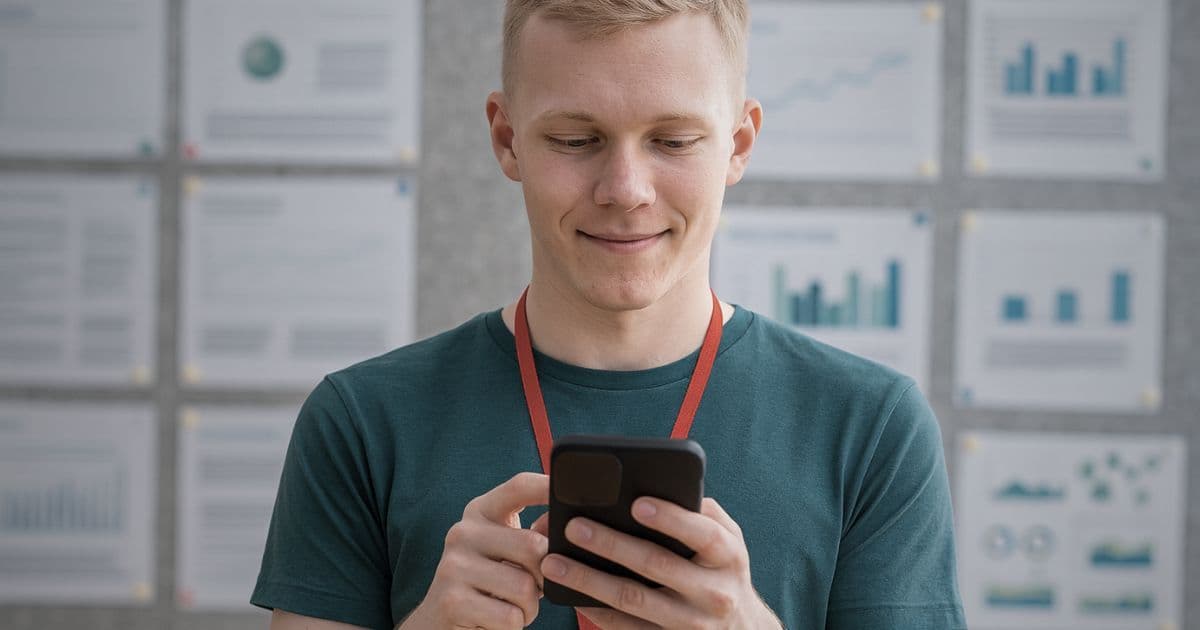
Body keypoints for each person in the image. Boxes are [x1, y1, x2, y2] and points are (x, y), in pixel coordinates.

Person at [252, 1, 967, 628]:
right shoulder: (362, 420)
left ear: (738, 145)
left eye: (674, 141)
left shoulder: (871, 427)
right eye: (575, 140)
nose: (625, 189)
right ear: (507, 140)